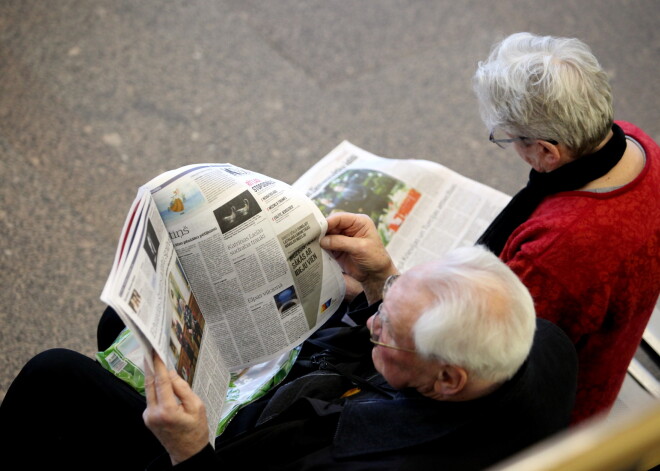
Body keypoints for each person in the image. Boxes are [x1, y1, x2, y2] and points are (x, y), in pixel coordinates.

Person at [0, 213, 577, 470]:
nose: (373, 319)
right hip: (303, 395)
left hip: (228, 451)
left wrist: (190, 451)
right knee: (121, 329)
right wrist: (380, 281)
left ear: (448, 380)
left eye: (388, 329)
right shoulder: (539, 346)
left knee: (55, 376)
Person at [472, 32, 660, 424]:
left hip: (555, 412)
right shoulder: (639, 145)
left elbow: (488, 356)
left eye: (509, 138)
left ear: (546, 152)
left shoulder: (554, 254)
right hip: (607, 362)